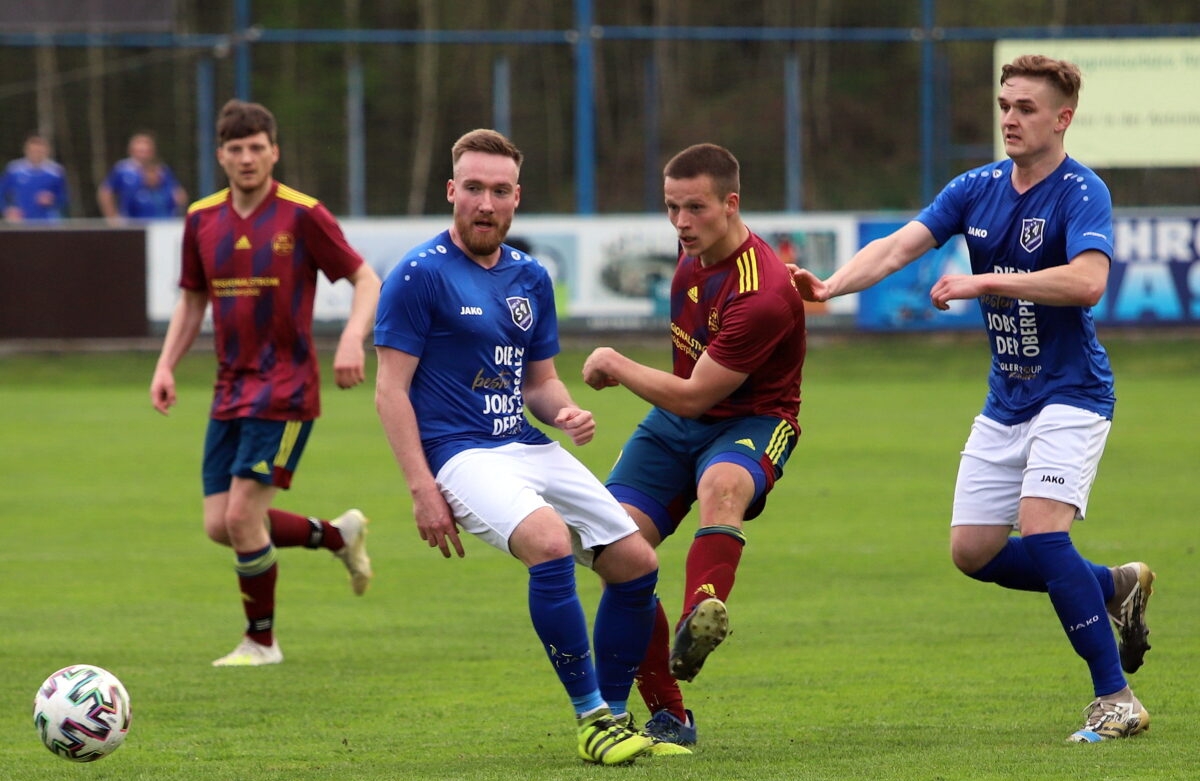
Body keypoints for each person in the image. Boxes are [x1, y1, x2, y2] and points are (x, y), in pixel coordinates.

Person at [791, 54, 1154, 743]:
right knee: (974, 551)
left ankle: (1115, 697)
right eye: (1004, 104)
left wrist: (986, 283)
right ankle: (1111, 586)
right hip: (1007, 396)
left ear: (1062, 119)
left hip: (1073, 393)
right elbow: (900, 247)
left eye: (1025, 108)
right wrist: (830, 289)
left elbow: (1086, 283)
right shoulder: (976, 186)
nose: (1010, 118)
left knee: (1045, 533)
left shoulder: (1082, 192)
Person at [374, 129, 683, 765]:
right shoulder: (416, 275)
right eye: (474, 189)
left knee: (635, 562)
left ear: (517, 199)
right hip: (460, 454)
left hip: (524, 440)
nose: (486, 203)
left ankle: (617, 717)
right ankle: (589, 716)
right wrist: (421, 488)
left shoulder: (530, 276)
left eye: (500, 190)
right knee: (546, 542)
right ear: (452, 191)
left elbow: (539, 383)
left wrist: (564, 410)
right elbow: (389, 391)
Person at [582, 142, 807, 746]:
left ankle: (700, 610)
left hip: (754, 419)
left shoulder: (761, 292)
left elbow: (694, 396)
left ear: (731, 204)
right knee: (615, 549)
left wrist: (614, 362)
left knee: (722, 484)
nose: (681, 223)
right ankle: (669, 715)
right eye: (671, 208)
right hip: (679, 421)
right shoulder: (691, 259)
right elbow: (685, 396)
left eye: (695, 208)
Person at [149, 99, 381, 667]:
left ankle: (261, 642)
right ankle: (337, 536)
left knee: (240, 517)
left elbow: (365, 278)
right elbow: (193, 298)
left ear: (274, 151)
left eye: (257, 148)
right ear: (221, 155)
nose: (247, 158)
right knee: (219, 524)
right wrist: (165, 364)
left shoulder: (302, 214)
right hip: (230, 389)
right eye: (236, 149)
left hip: (286, 389)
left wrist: (352, 338)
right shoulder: (201, 218)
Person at [98, 131, 187, 219]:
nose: (143, 154)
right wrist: (112, 217)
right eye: (140, 150)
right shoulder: (123, 169)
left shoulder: (162, 169)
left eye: (146, 150)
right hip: (133, 222)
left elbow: (178, 193)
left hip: (163, 221)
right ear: (131, 150)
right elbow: (105, 192)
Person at [0, 134, 69, 222]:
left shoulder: (56, 172)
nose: (36, 154)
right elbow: (1, 192)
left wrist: (52, 200)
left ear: (47, 151)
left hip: (48, 222)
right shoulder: (14, 169)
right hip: (21, 222)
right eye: (33, 151)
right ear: (26, 150)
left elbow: (64, 197)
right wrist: (7, 210)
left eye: (39, 151)